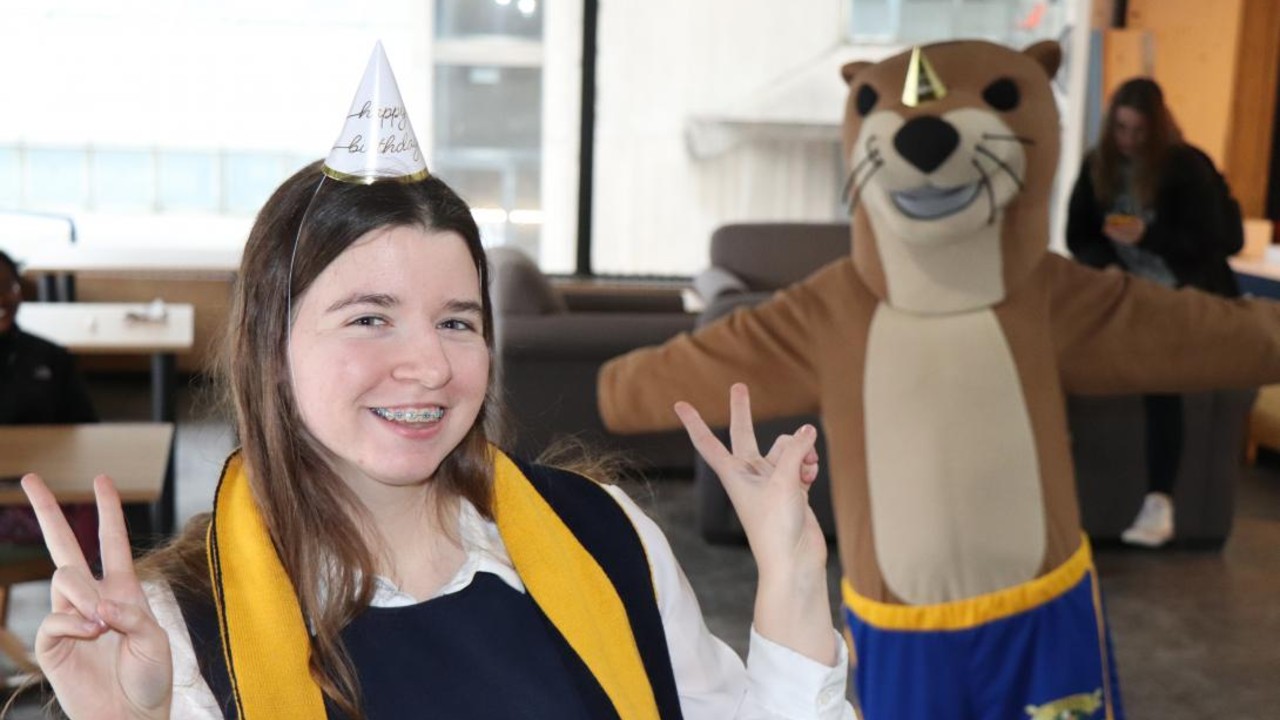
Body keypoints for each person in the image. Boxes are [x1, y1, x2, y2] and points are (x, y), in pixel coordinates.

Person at [18, 160, 855, 719]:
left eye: (458, 321)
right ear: (271, 347)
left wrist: (790, 572)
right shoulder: (183, 630)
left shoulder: (600, 536)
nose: (428, 365)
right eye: (370, 318)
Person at [1066, 77, 1242, 548]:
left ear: (1156, 128)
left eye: (1139, 130)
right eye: (1121, 129)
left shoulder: (1186, 169)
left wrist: (1147, 238)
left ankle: (1159, 499)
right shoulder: (1097, 167)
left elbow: (1218, 242)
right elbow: (1078, 235)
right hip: (1123, 294)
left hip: (1181, 296)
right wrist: (1106, 265)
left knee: (1162, 383)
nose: (1129, 141)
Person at [0, 248, 98, 560]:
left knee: (98, 507)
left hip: (46, 488)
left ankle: (90, 599)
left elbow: (88, 431)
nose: (1, 299)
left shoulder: (50, 357)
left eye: (8, 286)